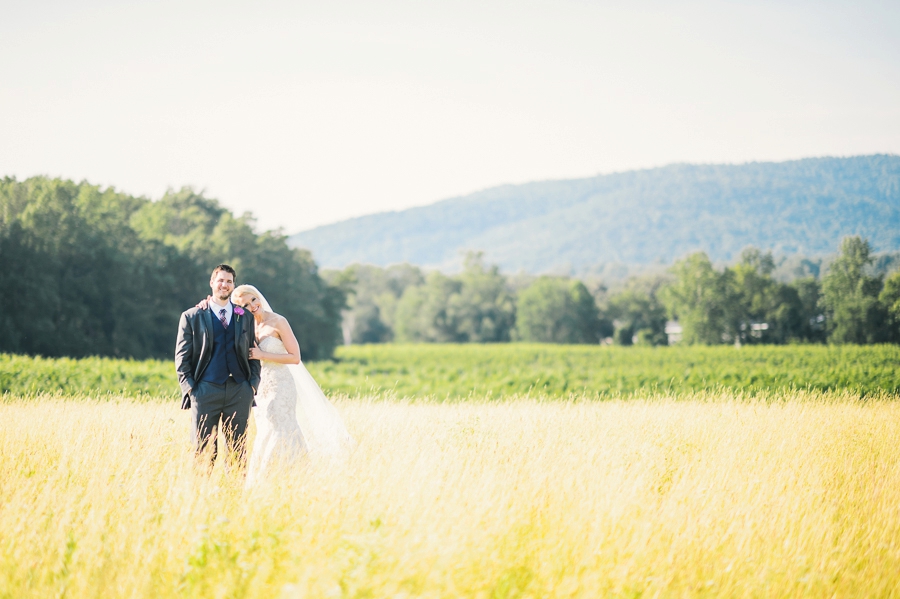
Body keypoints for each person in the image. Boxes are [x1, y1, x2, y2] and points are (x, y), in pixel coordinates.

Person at [228, 284, 353, 484]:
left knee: (281, 427)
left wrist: (262, 354)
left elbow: (295, 357)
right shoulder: (246, 328)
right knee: (265, 429)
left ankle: (287, 476)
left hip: (281, 384)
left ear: (258, 297)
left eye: (253, 299)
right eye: (245, 305)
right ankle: (265, 482)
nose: (252, 306)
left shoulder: (278, 321)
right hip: (260, 388)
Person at [175, 265, 261, 469]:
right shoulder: (192, 316)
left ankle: (235, 495)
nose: (224, 284)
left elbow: (253, 353)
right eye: (220, 280)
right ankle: (201, 496)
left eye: (229, 281)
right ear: (212, 283)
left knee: (238, 452)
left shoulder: (245, 317)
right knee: (203, 451)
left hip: (239, 390)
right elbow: (181, 357)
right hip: (205, 391)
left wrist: (252, 386)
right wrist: (191, 389)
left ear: (233, 286)